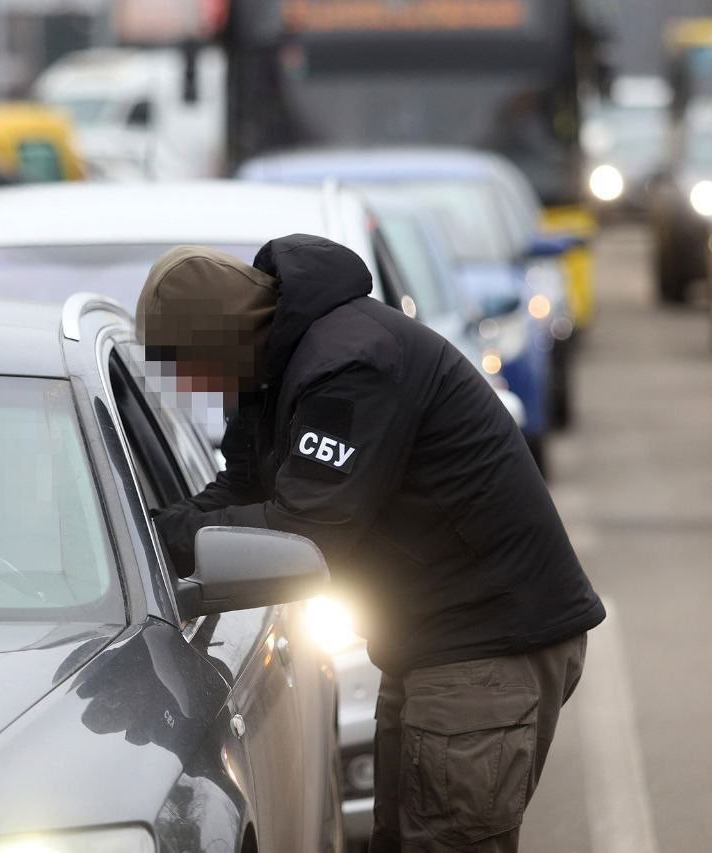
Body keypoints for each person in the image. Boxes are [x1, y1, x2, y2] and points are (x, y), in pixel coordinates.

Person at [137, 235, 605, 853]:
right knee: (397, 839)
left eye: (181, 365)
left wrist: (172, 540)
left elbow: (308, 530)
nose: (184, 386)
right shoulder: (271, 369)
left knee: (443, 843)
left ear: (217, 338)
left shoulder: (350, 365)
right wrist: (146, 533)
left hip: (488, 643)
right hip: (431, 641)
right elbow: (241, 487)